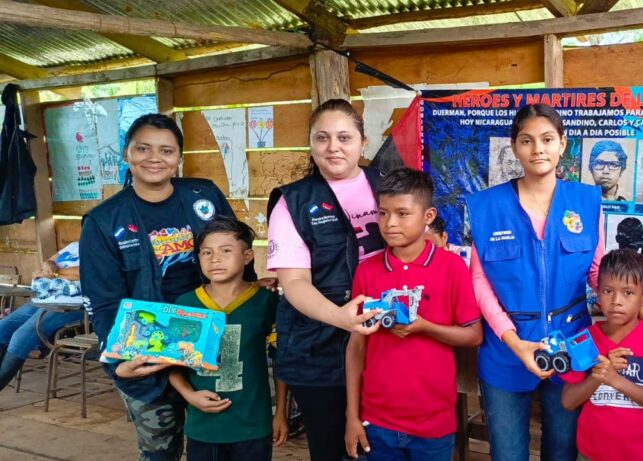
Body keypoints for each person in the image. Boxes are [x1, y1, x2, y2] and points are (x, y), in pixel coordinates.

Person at [466, 104, 643, 461]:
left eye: (547, 139)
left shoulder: (585, 200)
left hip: (574, 347)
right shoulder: (488, 206)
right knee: (508, 453)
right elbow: (480, 281)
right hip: (507, 350)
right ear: (515, 147)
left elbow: (597, 272)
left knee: (562, 449)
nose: (538, 149)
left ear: (562, 144)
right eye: (527, 141)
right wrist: (514, 343)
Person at [80, 113, 258, 460]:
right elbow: (103, 303)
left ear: (179, 157)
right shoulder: (104, 221)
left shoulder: (202, 195)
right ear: (126, 154)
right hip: (150, 354)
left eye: (166, 150)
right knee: (161, 450)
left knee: (223, 441)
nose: (154, 158)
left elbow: (236, 254)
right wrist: (117, 364)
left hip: (214, 346)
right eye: (142, 148)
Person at [266, 98, 386, 461]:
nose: (333, 147)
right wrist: (342, 318)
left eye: (344, 137)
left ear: (363, 143)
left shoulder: (389, 185)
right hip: (317, 348)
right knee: (333, 448)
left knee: (382, 445)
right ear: (311, 144)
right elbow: (295, 283)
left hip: (387, 338)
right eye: (322, 138)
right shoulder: (292, 201)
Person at [344, 168, 482, 460]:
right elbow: (356, 347)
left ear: (428, 216)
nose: (390, 223)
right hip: (377, 421)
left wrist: (425, 327)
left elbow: (473, 335)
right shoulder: (367, 271)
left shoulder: (452, 268)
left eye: (402, 213)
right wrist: (352, 417)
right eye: (383, 213)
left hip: (434, 424)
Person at [167, 217, 287, 461]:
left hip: (253, 425)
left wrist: (281, 412)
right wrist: (189, 395)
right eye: (206, 252)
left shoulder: (266, 302)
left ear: (248, 256)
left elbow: (281, 359)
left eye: (226, 251)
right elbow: (171, 364)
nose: (215, 259)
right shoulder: (186, 305)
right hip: (203, 428)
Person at [561, 249, 643, 461]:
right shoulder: (584, 339)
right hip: (591, 454)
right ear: (598, 294)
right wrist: (597, 376)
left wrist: (614, 379)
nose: (616, 301)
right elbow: (568, 401)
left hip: (639, 455)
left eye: (628, 293)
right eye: (607, 291)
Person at [0, 241, 82, 391]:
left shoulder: (102, 248)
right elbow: (48, 262)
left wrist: (55, 272)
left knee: (20, 336)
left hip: (72, 304)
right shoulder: (74, 246)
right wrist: (49, 264)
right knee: (2, 328)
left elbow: (86, 273)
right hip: (44, 298)